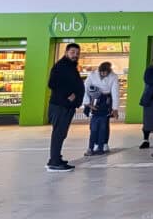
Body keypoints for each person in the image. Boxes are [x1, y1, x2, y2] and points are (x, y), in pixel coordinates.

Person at [46, 43, 85, 172]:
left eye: (77, 53)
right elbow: (52, 83)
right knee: (58, 133)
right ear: (66, 52)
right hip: (60, 106)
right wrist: (68, 94)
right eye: (73, 52)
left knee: (61, 134)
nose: (75, 55)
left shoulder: (70, 66)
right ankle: (54, 162)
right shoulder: (61, 66)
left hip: (66, 106)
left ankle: (56, 158)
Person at [82, 61, 119, 156]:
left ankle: (102, 145)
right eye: (102, 72)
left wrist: (115, 108)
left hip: (105, 101)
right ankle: (93, 145)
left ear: (109, 71)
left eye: (106, 72)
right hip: (93, 100)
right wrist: (87, 103)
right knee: (93, 127)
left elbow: (115, 93)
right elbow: (85, 88)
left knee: (104, 125)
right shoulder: (92, 75)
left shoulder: (113, 77)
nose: (104, 74)